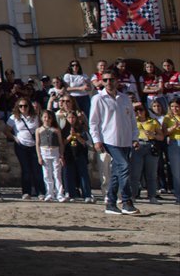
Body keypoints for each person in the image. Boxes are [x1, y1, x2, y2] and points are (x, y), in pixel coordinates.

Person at [89, 72, 139, 215]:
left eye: (111, 79)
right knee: (124, 166)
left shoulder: (124, 98)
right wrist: (96, 140)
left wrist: (134, 137)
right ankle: (126, 201)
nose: (109, 82)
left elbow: (132, 120)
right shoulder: (98, 99)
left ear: (117, 81)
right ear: (102, 82)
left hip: (125, 140)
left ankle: (111, 203)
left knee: (117, 173)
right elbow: (94, 122)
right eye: (105, 80)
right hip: (109, 140)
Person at [7, 98, 46, 199]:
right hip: (21, 145)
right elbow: (6, 130)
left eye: (25, 106)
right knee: (26, 169)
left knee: (36, 169)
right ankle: (26, 191)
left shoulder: (36, 117)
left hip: (34, 145)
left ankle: (40, 192)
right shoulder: (14, 118)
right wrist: (14, 138)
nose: (23, 108)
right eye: (21, 106)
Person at [60, 101, 93, 202]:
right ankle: (70, 193)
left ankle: (87, 194)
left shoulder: (81, 128)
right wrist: (70, 136)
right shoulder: (64, 129)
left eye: (73, 118)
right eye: (69, 118)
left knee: (83, 174)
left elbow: (84, 142)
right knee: (68, 174)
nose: (71, 120)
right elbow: (63, 143)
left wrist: (77, 136)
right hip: (68, 154)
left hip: (80, 153)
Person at [130, 103, 163, 205]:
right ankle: (133, 195)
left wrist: (153, 134)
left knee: (151, 174)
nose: (139, 112)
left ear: (145, 111)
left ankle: (152, 196)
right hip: (137, 145)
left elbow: (161, 137)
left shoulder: (153, 121)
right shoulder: (132, 121)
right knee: (135, 173)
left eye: (141, 109)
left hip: (150, 145)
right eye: (137, 110)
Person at [36, 110, 65, 202]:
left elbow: (60, 143)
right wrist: (39, 156)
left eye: (48, 117)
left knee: (57, 174)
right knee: (47, 174)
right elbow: (37, 143)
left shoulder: (56, 130)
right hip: (44, 151)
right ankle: (49, 193)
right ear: (41, 118)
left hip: (54, 151)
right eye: (44, 117)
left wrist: (61, 155)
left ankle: (59, 194)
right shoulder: (39, 130)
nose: (46, 119)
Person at [164, 98, 180, 205]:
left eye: (177, 106)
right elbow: (164, 132)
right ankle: (178, 196)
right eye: (173, 106)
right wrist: (174, 126)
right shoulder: (167, 118)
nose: (175, 108)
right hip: (174, 142)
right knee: (176, 171)